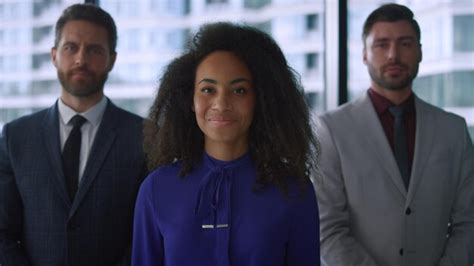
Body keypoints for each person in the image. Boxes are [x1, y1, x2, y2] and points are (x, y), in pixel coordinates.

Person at [132, 22, 320, 266]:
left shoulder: (294, 190)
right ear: (190, 100)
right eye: (208, 89)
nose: (221, 104)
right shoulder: (155, 190)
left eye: (239, 90)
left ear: (260, 99)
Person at [315, 3, 474, 266]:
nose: (393, 55)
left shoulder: (453, 130)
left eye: (405, 43)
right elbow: (327, 229)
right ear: (364, 54)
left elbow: (469, 222)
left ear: (420, 51)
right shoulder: (331, 129)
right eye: (381, 44)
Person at [0, 4, 147, 266]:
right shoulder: (15, 138)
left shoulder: (144, 137)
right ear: (54, 55)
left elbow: (145, 234)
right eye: (71, 48)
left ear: (112, 59)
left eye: (94, 50)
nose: (81, 59)